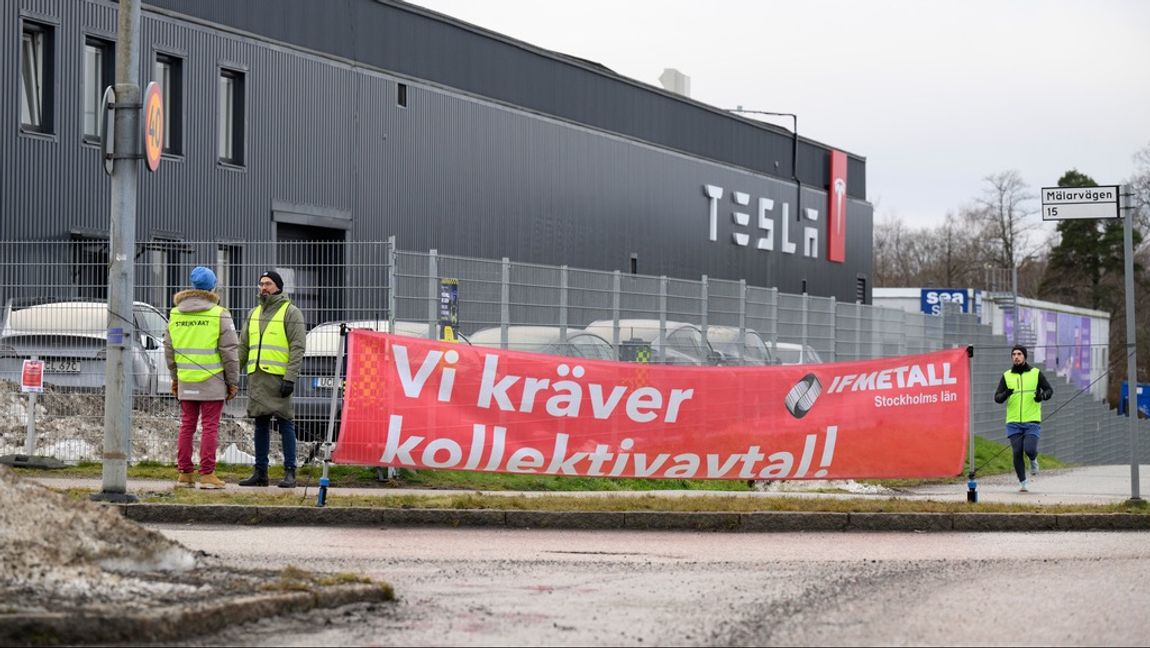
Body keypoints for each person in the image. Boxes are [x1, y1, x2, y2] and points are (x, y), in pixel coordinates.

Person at [165, 266, 240, 489]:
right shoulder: (219, 313)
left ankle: (184, 474)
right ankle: (207, 474)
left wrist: (175, 378)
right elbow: (230, 351)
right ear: (213, 287)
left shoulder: (176, 313)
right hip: (213, 380)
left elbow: (169, 350)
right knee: (209, 426)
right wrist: (233, 382)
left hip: (186, 378)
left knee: (186, 426)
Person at [237, 270, 307, 488]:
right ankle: (261, 473)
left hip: (279, 379)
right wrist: (231, 375)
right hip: (257, 378)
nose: (263, 288)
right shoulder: (253, 313)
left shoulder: (291, 312)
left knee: (285, 423)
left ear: (278, 286)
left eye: (267, 284)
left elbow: (298, 347)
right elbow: (243, 347)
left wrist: (290, 378)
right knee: (260, 424)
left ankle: (290, 472)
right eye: (261, 284)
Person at [993, 344, 1053, 492]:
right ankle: (1023, 482)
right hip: (1013, 422)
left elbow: (1049, 390)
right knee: (1017, 451)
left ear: (1024, 356)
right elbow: (997, 398)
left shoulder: (1035, 373)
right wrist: (1007, 393)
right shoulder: (1007, 376)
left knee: (1029, 449)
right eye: (1014, 354)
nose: (1016, 357)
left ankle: (1033, 459)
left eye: (1019, 354)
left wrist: (1042, 396)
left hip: (1032, 420)